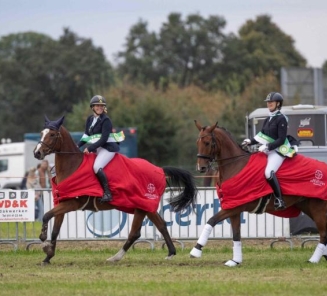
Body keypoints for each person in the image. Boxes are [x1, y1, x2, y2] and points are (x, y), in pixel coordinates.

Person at [242, 92, 297, 210]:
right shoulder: (268, 119)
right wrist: (250, 142)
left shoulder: (281, 118)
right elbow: (262, 135)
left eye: (271, 102)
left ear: (278, 104)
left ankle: (279, 199)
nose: (269, 104)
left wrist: (268, 147)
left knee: (268, 172)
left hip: (278, 151)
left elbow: (281, 139)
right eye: (268, 102)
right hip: (269, 150)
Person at [77, 95, 120, 203]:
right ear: (93, 107)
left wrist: (90, 148)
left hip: (107, 148)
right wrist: (77, 146)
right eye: (97, 105)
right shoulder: (90, 119)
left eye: (102, 105)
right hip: (98, 148)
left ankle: (107, 193)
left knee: (96, 167)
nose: (100, 107)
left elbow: (104, 139)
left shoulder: (106, 120)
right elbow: (86, 135)